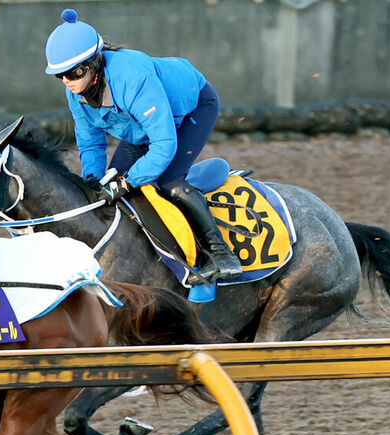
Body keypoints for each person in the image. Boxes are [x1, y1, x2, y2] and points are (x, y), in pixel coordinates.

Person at [45, 9, 242, 283]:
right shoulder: (75, 93)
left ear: (95, 63)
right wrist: (93, 181)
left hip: (192, 109)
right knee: (108, 190)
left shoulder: (132, 78)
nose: (68, 81)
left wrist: (127, 181)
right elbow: (90, 142)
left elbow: (163, 144)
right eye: (61, 75)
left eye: (74, 72)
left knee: (168, 181)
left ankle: (221, 254)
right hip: (141, 125)